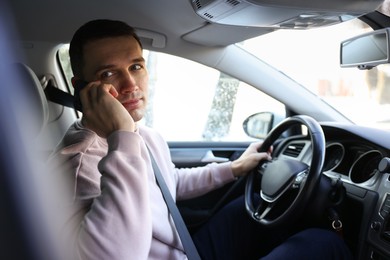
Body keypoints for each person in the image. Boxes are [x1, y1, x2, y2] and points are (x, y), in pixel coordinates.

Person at [50, 19, 353, 260]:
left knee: (253, 211)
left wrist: (234, 168)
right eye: (108, 74)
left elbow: (171, 184)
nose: (130, 84)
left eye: (136, 66)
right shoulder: (81, 164)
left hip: (185, 245)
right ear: (82, 87)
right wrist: (122, 135)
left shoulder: (143, 135)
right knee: (320, 244)